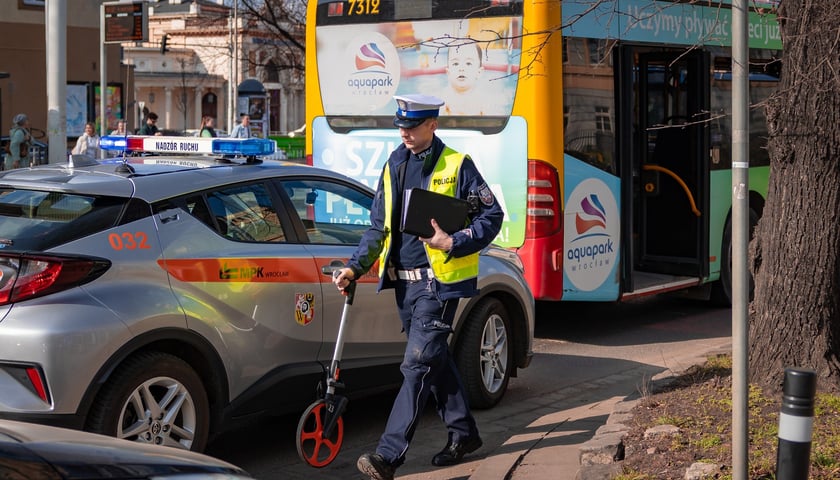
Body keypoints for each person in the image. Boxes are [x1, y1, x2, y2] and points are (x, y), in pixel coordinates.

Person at [332, 94, 503, 480]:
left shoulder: (457, 164)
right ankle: (464, 434)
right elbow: (378, 227)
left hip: (437, 285)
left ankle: (387, 456)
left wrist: (453, 241)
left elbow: (492, 215)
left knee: (416, 365)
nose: (404, 133)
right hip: (404, 286)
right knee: (434, 361)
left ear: (432, 125)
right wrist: (354, 268)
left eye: (411, 126)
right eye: (401, 126)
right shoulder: (394, 163)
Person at [442, 44, 486, 116]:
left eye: (468, 63)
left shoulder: (481, 100)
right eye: (456, 64)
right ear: (448, 73)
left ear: (479, 72)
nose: (461, 68)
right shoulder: (445, 98)